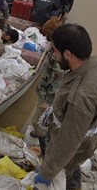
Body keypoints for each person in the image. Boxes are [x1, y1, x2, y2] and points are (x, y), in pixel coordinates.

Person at [34, 24, 97, 189]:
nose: (53, 56)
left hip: (75, 145)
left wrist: (47, 172)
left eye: (55, 51)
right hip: (83, 138)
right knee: (72, 165)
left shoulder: (80, 99)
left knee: (66, 169)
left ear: (67, 54)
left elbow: (68, 142)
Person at [30, 17, 65, 158]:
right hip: (45, 90)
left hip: (48, 95)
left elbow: (57, 80)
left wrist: (48, 100)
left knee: (36, 122)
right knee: (46, 119)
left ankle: (45, 151)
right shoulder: (56, 47)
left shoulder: (58, 55)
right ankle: (42, 134)